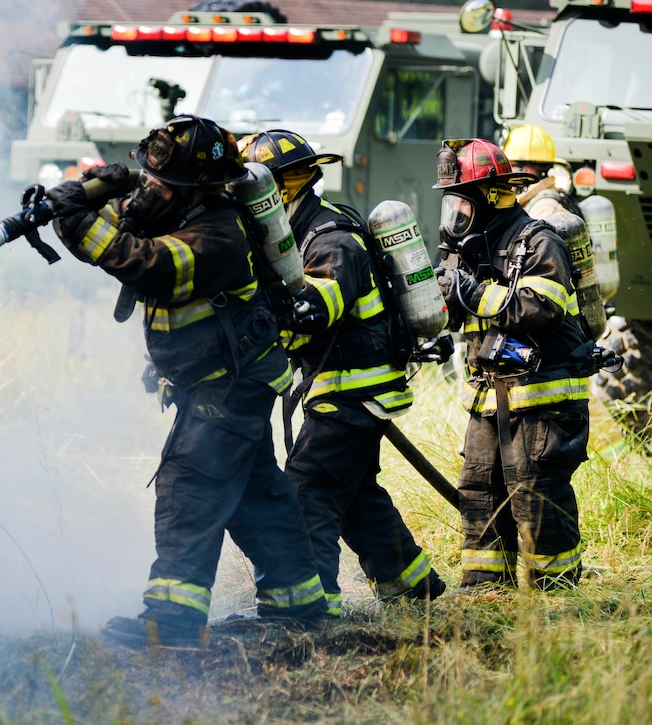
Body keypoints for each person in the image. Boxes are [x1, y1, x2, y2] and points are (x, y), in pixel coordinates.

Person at [45, 115, 327, 649]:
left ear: (197, 189)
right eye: (150, 180)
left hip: (229, 387)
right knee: (255, 496)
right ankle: (299, 601)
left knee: (189, 487)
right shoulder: (179, 211)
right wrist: (86, 195)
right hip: (229, 383)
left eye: (163, 185)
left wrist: (80, 217)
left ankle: (171, 622)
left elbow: (144, 264)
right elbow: (115, 234)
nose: (151, 192)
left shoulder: (216, 233)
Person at [239, 129, 446, 617]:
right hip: (347, 392)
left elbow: (317, 308)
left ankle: (312, 606)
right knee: (355, 498)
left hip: (352, 395)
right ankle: (415, 587)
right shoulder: (301, 234)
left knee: (308, 490)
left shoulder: (331, 241)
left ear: (283, 189)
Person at [432, 138, 592, 591]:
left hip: (543, 397)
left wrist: (472, 291)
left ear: (491, 197)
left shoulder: (539, 241)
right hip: (488, 397)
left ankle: (555, 595)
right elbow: (457, 316)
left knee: (534, 492)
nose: (456, 219)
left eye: (462, 206)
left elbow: (541, 306)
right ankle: (484, 588)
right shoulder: (472, 248)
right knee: (478, 489)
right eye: (452, 208)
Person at [502, 124, 582, 219]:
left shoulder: (544, 209)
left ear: (527, 170)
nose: (506, 172)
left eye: (510, 166)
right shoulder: (533, 201)